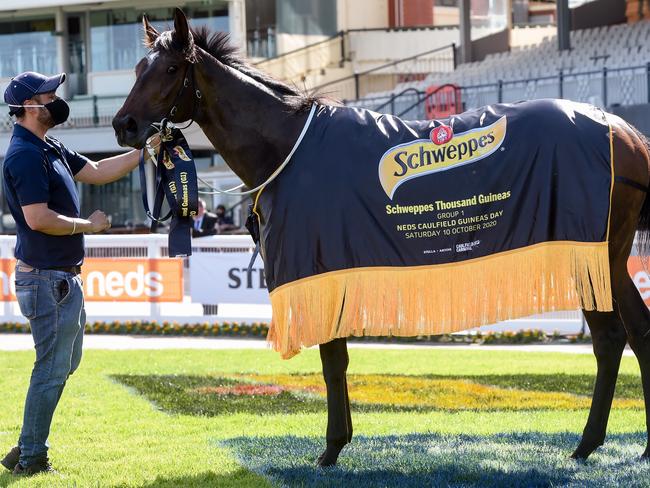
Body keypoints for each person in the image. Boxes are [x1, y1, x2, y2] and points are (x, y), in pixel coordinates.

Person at [0, 71, 158, 477]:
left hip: (60, 280)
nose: (56, 99)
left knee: (64, 364)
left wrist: (147, 150)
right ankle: (33, 457)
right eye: (49, 94)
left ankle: (29, 441)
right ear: (29, 106)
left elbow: (99, 171)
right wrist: (89, 225)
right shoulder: (24, 155)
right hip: (47, 280)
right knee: (51, 368)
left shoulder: (48, 145)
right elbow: (37, 218)